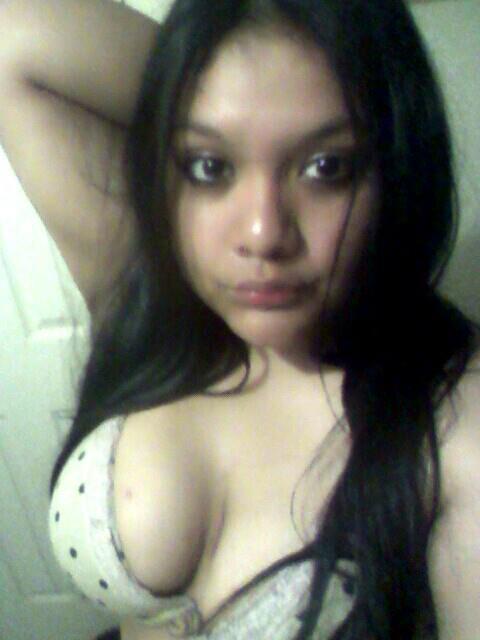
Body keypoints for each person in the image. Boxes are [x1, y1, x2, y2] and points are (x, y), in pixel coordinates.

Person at [0, 0, 479, 639]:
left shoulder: (451, 423)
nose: (261, 233)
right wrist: (198, 73)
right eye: (210, 166)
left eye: (326, 167)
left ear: (398, 165)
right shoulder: (150, 293)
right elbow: (13, 41)